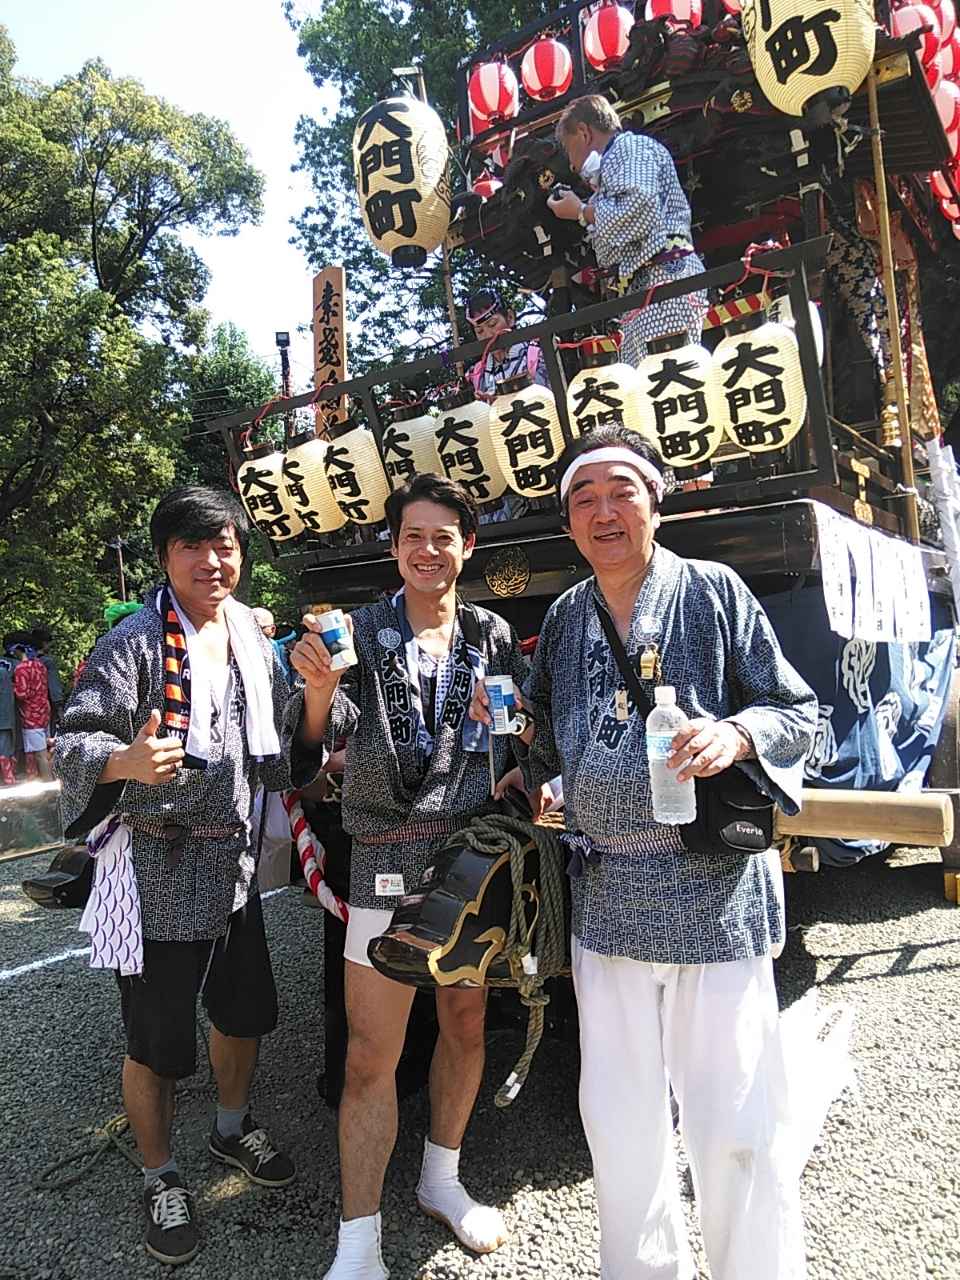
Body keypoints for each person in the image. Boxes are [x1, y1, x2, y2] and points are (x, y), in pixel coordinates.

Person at [471, 425, 818, 1280]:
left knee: (734, 1123)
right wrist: (527, 761)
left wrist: (737, 734)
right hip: (608, 900)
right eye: (584, 499)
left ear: (655, 505)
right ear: (568, 525)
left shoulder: (712, 590)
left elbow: (796, 710)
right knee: (621, 1127)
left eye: (621, 491)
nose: (604, 512)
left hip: (713, 894)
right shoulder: (565, 617)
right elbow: (548, 734)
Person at [54, 486, 310, 1268]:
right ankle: (159, 1174)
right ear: (166, 556)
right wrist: (123, 761)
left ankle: (231, 1128)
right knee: (156, 1040)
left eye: (225, 545)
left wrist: (325, 691)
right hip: (157, 865)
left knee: (243, 1014)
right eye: (192, 546)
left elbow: (289, 732)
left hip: (233, 864)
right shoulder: (133, 641)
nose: (212, 561)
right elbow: (73, 741)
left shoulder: (252, 638)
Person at [288, 472, 531, 1280]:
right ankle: (358, 1241)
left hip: (470, 856)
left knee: (466, 1024)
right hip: (386, 859)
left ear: (469, 546)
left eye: (443, 537)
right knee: (370, 1054)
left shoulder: (491, 634)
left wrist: (512, 734)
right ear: (394, 548)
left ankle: (441, 1180)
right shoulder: (356, 632)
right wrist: (318, 692)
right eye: (413, 536)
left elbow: (516, 735)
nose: (429, 550)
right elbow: (312, 745)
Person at [547, 96, 707, 367]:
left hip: (662, 279)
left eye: (568, 147)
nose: (572, 164)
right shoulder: (617, 162)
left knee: (667, 375)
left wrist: (581, 211)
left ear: (584, 133)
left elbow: (638, 207)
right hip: (645, 288)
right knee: (654, 380)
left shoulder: (628, 148)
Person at [465, 288, 549, 401]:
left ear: (510, 318)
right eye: (480, 331)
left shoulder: (538, 355)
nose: (488, 335)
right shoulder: (476, 374)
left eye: (492, 324)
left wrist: (500, 402)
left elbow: (549, 397)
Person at [11, 643, 51, 780]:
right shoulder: (41, 666)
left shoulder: (21, 668)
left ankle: (48, 782)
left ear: (18, 651)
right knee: (38, 750)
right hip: (44, 711)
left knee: (39, 754)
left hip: (30, 715)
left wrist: (11, 687)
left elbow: (22, 693)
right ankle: (36, 779)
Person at [32, 629, 65, 730]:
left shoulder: (22, 661)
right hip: (45, 704)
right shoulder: (47, 662)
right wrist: (59, 706)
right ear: (44, 643)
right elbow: (54, 687)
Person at [0, 652, 17, 785]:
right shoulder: (3, 673)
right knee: (4, 747)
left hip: (4, 716)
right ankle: (8, 777)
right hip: (4, 717)